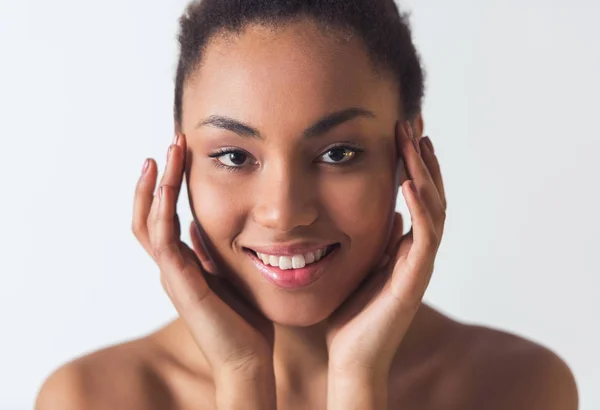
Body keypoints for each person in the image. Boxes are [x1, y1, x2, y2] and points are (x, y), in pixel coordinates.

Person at [35, 0, 578, 409]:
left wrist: (358, 381)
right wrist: (243, 376)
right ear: (181, 161)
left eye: (338, 153)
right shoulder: (90, 398)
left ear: (407, 150)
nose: (283, 211)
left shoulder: (519, 388)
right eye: (232, 155)